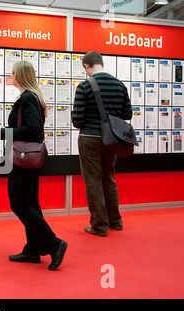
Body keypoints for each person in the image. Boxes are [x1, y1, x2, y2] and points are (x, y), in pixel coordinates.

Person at [0, 61, 67, 271]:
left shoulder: (28, 97)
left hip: (23, 159)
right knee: (31, 203)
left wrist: (5, 132)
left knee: (19, 204)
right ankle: (33, 249)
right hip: (29, 158)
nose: (11, 76)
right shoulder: (31, 96)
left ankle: (54, 245)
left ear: (20, 75)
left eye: (12, 73)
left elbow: (33, 129)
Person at [72, 51, 132, 237]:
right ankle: (116, 221)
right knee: (109, 179)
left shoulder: (84, 86)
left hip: (90, 138)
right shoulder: (119, 85)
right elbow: (127, 114)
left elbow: (77, 119)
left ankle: (99, 226)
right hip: (112, 139)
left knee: (93, 183)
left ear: (86, 66)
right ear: (101, 63)